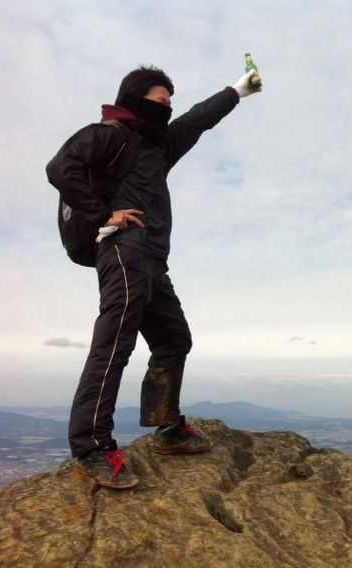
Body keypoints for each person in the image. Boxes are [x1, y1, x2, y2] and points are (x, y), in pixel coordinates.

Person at [46, 64, 261, 488]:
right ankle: (91, 446)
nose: (167, 108)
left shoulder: (159, 147)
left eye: (169, 102)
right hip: (123, 251)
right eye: (159, 101)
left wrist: (238, 91)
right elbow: (59, 168)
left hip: (153, 261)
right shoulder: (109, 135)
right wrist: (103, 215)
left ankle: (166, 426)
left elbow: (196, 120)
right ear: (135, 100)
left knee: (174, 339)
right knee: (114, 344)